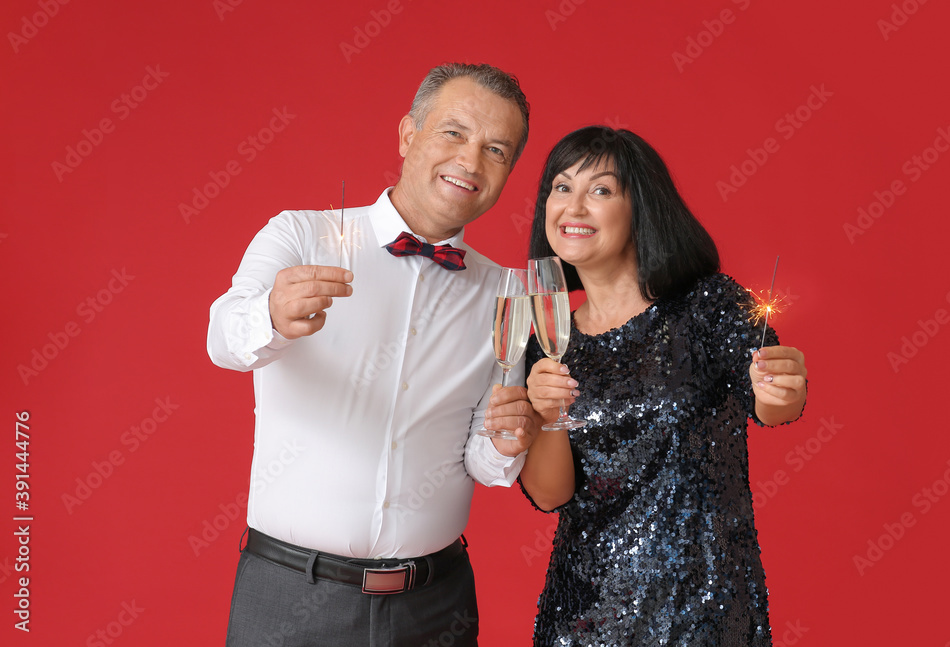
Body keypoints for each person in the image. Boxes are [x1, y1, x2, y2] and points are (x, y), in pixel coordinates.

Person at [207, 63, 538, 647]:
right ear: (409, 135)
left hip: (437, 606)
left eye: (496, 150)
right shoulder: (300, 235)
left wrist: (509, 439)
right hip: (288, 595)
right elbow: (223, 339)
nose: (471, 162)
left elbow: (484, 463)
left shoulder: (510, 292)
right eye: (453, 133)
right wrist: (272, 316)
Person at [490, 126, 808, 646]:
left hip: (704, 614)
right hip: (583, 619)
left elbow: (774, 403)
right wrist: (545, 414)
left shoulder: (707, 306)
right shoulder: (547, 343)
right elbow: (551, 496)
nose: (573, 206)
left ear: (641, 206)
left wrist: (783, 391)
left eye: (601, 190)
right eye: (561, 187)